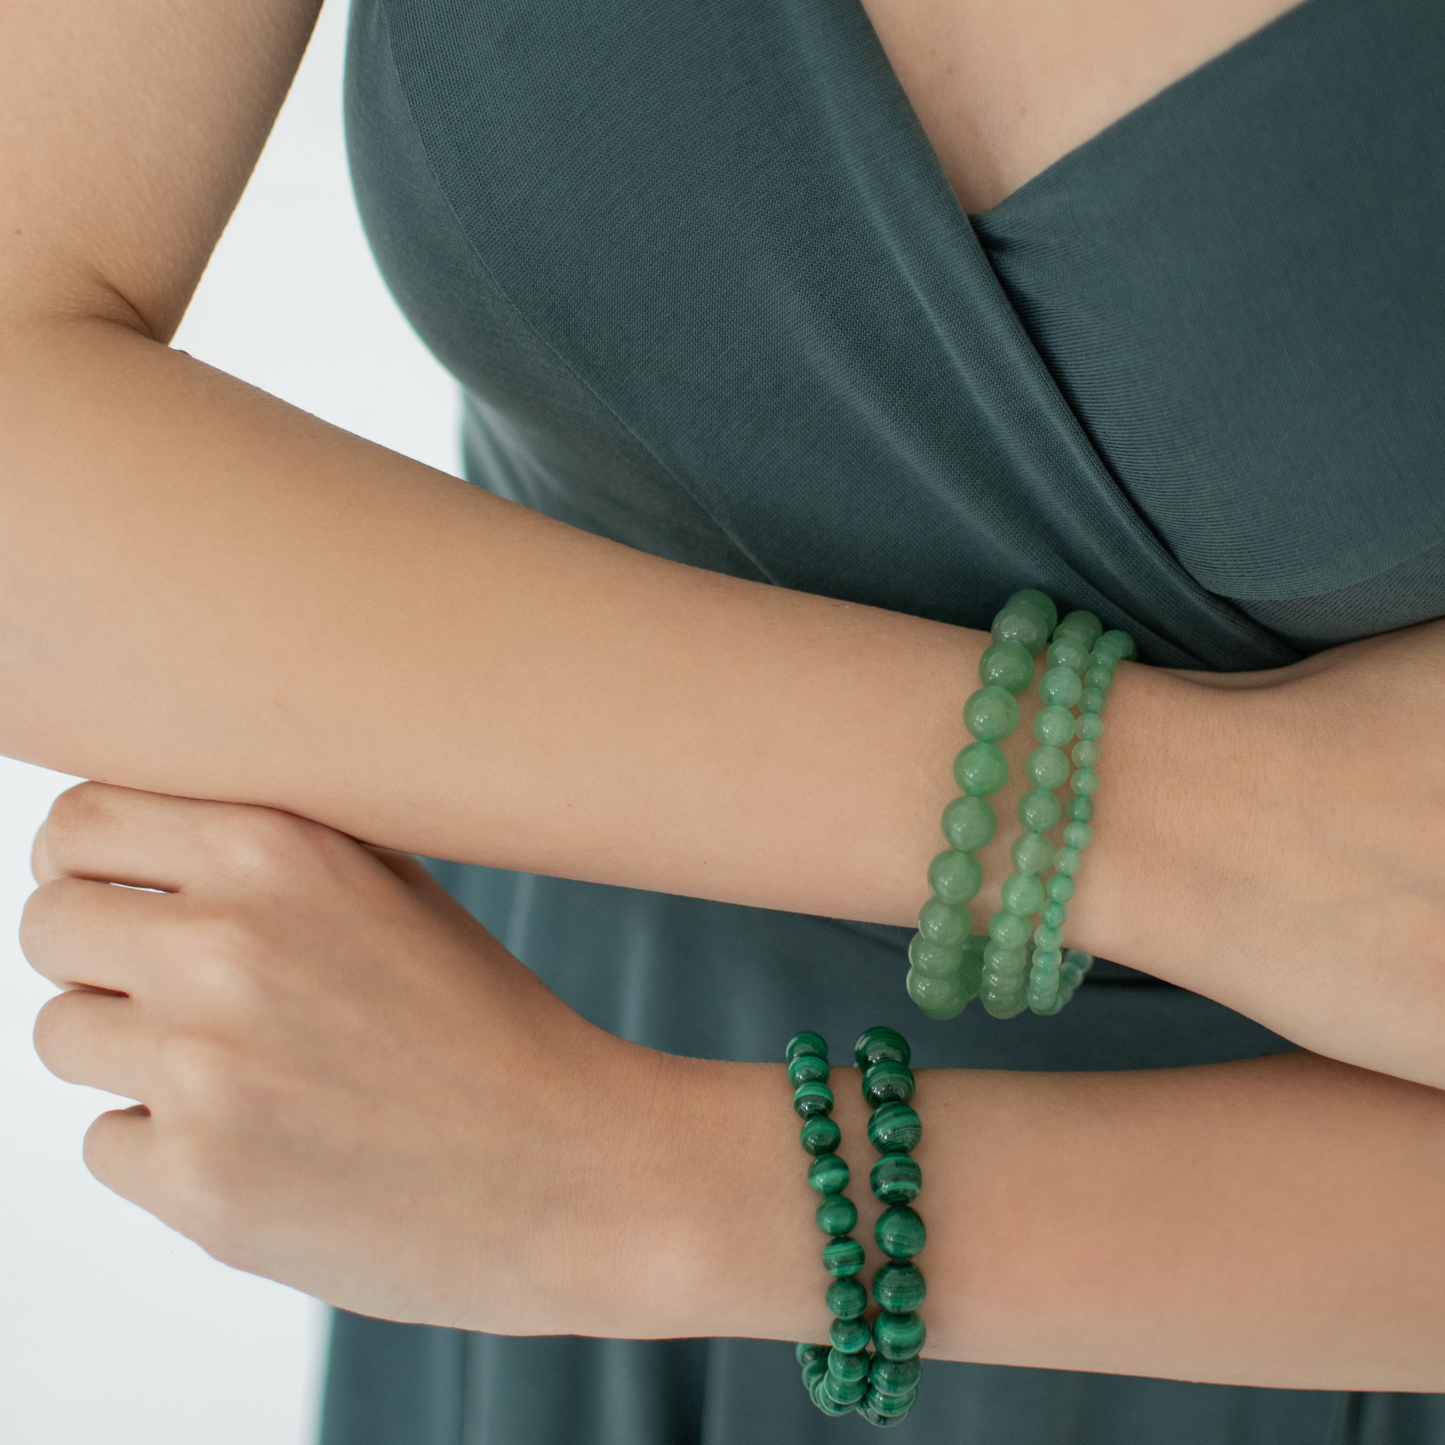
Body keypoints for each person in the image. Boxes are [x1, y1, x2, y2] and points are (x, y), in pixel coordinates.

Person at [3, 0, 1443, 1440]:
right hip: (463, 1091)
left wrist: (629, 1188)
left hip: (1243, 1291)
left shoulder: (560, 1182)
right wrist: (1179, 825)